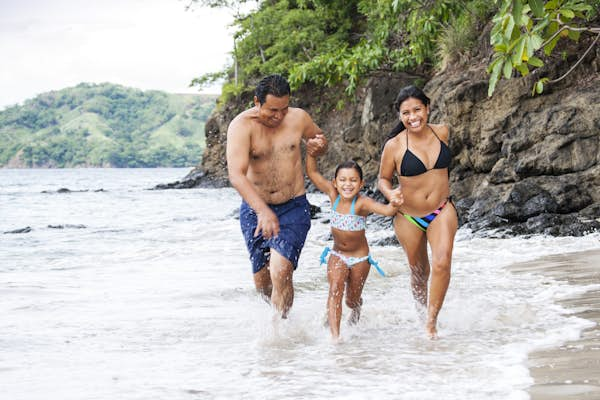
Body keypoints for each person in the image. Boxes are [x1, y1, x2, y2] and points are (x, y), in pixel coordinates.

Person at [226, 74, 327, 318]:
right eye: (272, 110)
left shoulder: (299, 118)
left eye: (283, 109)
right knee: (263, 281)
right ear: (257, 102)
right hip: (254, 209)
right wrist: (262, 210)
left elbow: (319, 140)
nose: (278, 116)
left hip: (293, 206)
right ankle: (274, 324)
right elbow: (236, 175)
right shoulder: (241, 127)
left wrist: (319, 147)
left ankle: (282, 331)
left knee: (281, 270)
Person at [377, 85, 457, 339]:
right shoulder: (394, 146)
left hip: (442, 209)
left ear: (427, 108)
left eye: (417, 110)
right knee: (419, 272)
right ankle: (421, 313)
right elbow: (382, 179)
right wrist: (390, 194)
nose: (413, 117)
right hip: (408, 217)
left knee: (442, 263)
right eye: (406, 113)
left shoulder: (442, 132)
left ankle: (431, 324)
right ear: (400, 116)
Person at [306, 154, 401, 340]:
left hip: (360, 259)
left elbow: (388, 211)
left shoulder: (362, 203)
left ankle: (356, 308)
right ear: (334, 182)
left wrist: (395, 201)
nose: (347, 184)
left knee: (351, 299)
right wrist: (311, 153)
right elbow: (312, 172)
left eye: (353, 180)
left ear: (361, 183)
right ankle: (335, 337)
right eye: (342, 180)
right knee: (335, 289)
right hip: (337, 254)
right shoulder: (333, 196)